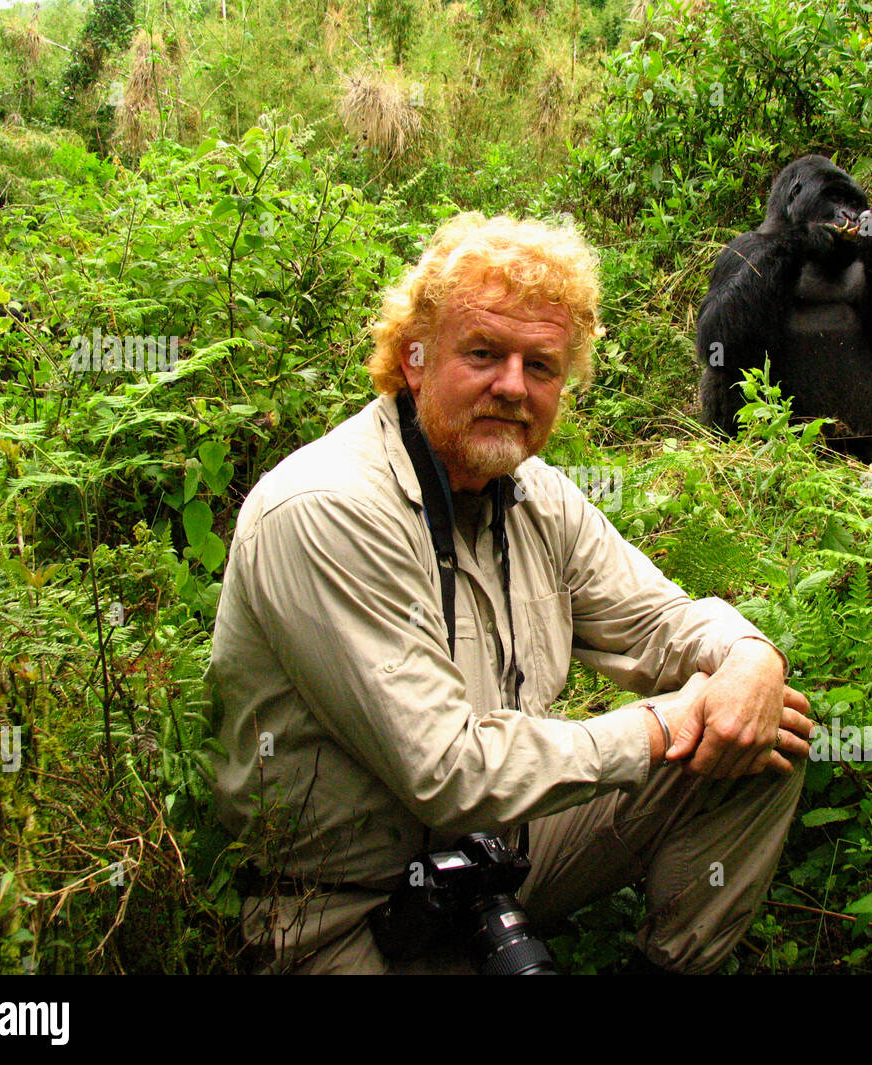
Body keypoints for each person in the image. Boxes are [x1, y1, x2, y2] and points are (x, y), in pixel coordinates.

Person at [209, 212, 815, 974]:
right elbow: (450, 772)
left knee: (770, 735)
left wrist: (749, 656)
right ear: (414, 358)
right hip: (347, 910)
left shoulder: (534, 496)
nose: (512, 387)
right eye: (484, 353)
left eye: (541, 366)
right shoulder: (328, 507)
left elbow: (661, 620)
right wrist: (659, 725)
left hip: (497, 862)